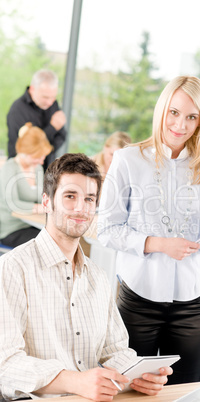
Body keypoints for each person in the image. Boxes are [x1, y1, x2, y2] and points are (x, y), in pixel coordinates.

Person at [97, 76, 200, 385]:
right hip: (139, 299)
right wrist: (157, 243)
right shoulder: (128, 160)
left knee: (184, 392)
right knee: (128, 390)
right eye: (174, 112)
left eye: (191, 117)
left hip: (193, 305)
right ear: (162, 110)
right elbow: (106, 229)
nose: (180, 124)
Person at [0, 153, 172, 401]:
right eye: (70, 196)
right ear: (47, 202)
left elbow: (114, 350)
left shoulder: (99, 277)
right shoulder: (12, 269)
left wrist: (138, 375)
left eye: (89, 199)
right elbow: (5, 365)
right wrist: (76, 381)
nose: (81, 208)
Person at [0, 122, 53, 247]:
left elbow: (42, 197)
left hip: (32, 224)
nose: (42, 161)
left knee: (60, 238)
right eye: (38, 156)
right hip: (12, 229)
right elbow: (12, 204)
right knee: (47, 245)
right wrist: (39, 208)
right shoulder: (9, 168)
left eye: (43, 156)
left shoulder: (37, 168)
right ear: (26, 152)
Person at [7, 69, 67, 170]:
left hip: (47, 169)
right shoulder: (17, 110)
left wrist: (45, 150)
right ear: (32, 89)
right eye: (45, 97)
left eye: (53, 98)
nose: (50, 102)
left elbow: (62, 135)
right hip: (22, 171)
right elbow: (23, 148)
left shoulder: (52, 104)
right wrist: (52, 128)